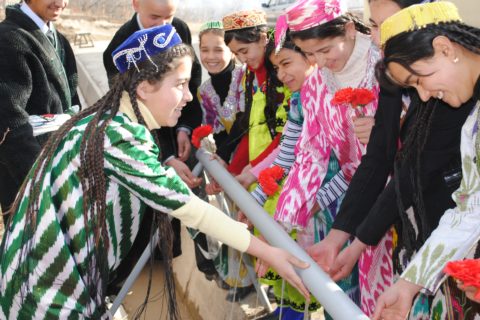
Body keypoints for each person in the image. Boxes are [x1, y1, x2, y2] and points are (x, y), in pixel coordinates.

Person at [0, 24, 310, 319]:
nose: (189, 97)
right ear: (145, 87)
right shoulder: (120, 136)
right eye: (180, 84)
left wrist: (161, 167)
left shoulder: (104, 121)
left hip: (35, 280)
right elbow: (191, 210)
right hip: (48, 296)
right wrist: (270, 252)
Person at [305, 0, 475, 316]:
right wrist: (343, 238)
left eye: (388, 23)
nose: (379, 37)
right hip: (432, 234)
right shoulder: (420, 77)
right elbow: (380, 158)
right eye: (374, 25)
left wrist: (356, 244)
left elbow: (416, 170)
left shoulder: (452, 90)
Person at [368, 2, 480, 319]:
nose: (426, 95)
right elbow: (471, 209)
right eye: (413, 87)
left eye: (420, 79)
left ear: (445, 49)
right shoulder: (473, 123)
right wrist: (409, 284)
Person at [0, 0, 79, 217]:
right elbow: (8, 118)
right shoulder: (8, 38)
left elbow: (73, 100)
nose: (61, 2)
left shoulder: (58, 39)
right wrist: (40, 180)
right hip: (28, 172)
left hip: (61, 161)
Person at [197, 20, 254, 301]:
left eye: (218, 49)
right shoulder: (204, 90)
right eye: (204, 49)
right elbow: (213, 130)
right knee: (234, 221)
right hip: (229, 163)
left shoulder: (246, 78)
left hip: (253, 161)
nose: (210, 56)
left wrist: (230, 166)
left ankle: (264, 282)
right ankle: (242, 279)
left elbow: (247, 125)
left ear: (231, 50)